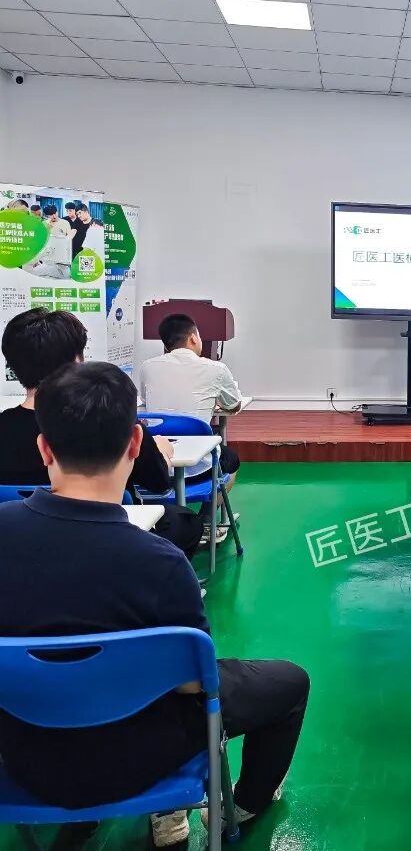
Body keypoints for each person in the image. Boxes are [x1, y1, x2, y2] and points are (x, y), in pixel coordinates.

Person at [0, 362, 310, 847]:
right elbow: (192, 682)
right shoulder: (160, 562)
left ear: (44, 448)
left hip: (23, 761)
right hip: (143, 761)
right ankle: (241, 805)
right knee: (288, 681)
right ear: (135, 443)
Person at [0, 308, 202, 556]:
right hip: (112, 544)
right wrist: (161, 451)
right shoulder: (111, 421)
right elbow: (158, 483)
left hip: (18, 544)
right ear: (77, 361)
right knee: (186, 522)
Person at [139, 313, 242, 496]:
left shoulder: (147, 367)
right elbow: (234, 405)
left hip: (157, 466)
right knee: (231, 459)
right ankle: (208, 512)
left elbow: (147, 403)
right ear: (193, 338)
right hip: (200, 467)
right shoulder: (216, 369)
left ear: (166, 344)